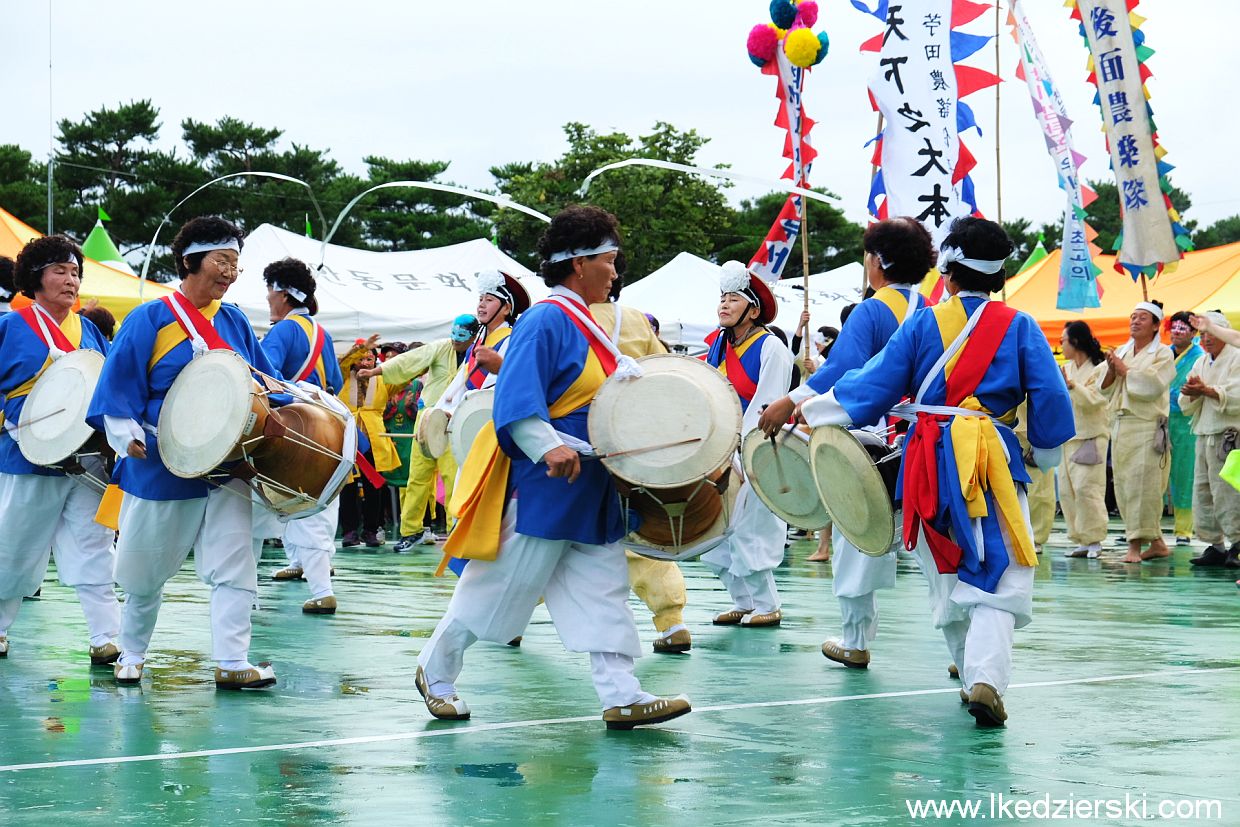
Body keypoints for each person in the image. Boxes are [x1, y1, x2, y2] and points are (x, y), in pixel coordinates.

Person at [415, 205, 690, 729]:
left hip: (591, 486)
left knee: (603, 589)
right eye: (609, 260)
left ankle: (622, 693)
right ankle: (436, 669)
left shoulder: (590, 324)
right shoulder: (546, 319)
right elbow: (517, 396)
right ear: (579, 263)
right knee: (499, 584)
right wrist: (546, 447)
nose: (615, 270)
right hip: (549, 483)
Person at [802, 217, 1073, 726]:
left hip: (925, 460)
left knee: (945, 570)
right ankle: (986, 678)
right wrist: (1047, 449)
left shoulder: (923, 323)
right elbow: (1051, 399)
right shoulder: (1019, 326)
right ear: (998, 276)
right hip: (988, 459)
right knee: (999, 569)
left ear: (947, 271)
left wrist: (812, 411)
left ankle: (974, 678)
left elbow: (873, 383)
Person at [86, 216, 282, 690]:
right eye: (222, 261)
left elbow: (263, 379)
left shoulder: (233, 320)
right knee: (144, 567)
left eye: (236, 263)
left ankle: (232, 660)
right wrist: (122, 433)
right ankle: (131, 653)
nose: (230, 273)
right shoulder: (150, 317)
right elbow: (119, 384)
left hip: (228, 464)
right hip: (162, 460)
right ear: (191, 261)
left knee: (236, 564)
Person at [759, 217, 934, 666]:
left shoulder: (873, 309)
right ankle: (965, 651)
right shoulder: (935, 307)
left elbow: (844, 370)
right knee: (938, 543)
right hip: (930, 439)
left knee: (859, 537)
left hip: (871, 437)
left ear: (877, 261)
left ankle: (855, 641)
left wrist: (791, 401)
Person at [0, 235, 119, 664]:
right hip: (26, 457)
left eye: (75, 273)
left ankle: (106, 635)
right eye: (59, 271)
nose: (70, 281)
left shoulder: (88, 329)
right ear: (35, 278)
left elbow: (107, 386)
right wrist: (12, 424)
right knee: (15, 545)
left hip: (86, 459)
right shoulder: (10, 325)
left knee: (94, 545)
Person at [591, 281, 693, 654]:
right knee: (642, 537)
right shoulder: (634, 320)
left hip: (577, 445)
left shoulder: (556, 316)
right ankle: (672, 621)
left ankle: (511, 618)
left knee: (548, 543)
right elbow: (667, 377)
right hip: (637, 445)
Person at [701, 261, 793, 627]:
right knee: (716, 532)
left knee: (751, 528)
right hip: (720, 451)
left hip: (756, 450)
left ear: (753, 310)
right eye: (722, 298)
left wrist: (738, 449)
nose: (724, 304)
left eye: (734, 299)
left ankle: (767, 603)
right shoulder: (717, 345)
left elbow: (767, 406)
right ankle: (743, 600)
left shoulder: (771, 348)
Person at [255, 257, 346, 613]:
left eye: (269, 290)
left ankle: (321, 589)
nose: (267, 298)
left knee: (288, 504)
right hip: (329, 425)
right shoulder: (320, 333)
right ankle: (302, 565)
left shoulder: (283, 331)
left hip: (296, 427)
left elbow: (264, 374)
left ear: (283, 294)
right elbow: (335, 383)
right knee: (318, 502)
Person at [363, 316, 477, 548]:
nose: (455, 342)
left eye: (461, 338)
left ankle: (456, 529)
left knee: (454, 476)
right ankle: (411, 531)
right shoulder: (439, 347)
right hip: (427, 420)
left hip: (456, 422)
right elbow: (411, 360)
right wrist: (378, 371)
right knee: (417, 477)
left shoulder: (479, 354)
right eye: (453, 336)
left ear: (473, 336)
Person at [1102, 301, 1175, 563]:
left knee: (1144, 486)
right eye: (1133, 316)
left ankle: (1134, 546)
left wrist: (1123, 369)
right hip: (1121, 426)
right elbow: (1105, 388)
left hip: (1146, 426)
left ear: (1156, 325)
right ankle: (1156, 543)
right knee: (1124, 486)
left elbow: (1152, 386)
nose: (1135, 321)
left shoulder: (1164, 353)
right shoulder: (1122, 350)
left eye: (1142, 318)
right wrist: (1112, 367)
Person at [1178, 312, 1240, 568]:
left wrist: (1207, 391)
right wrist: (1193, 392)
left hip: (1228, 435)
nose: (1206, 338)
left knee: (1228, 492)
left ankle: (1238, 543)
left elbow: (1237, 395)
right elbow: (1186, 403)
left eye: (1210, 333)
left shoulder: (1237, 357)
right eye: (1202, 334)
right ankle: (1215, 545)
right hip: (1203, 433)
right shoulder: (1201, 362)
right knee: (1203, 491)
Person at [338, 338, 398, 547]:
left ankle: (371, 530)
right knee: (348, 486)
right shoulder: (344, 375)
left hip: (374, 438)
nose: (366, 362)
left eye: (370, 358)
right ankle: (349, 532)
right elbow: (343, 362)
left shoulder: (383, 378)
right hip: (348, 436)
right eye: (361, 358)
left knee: (375, 485)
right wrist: (359, 349)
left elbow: (402, 374)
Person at [1059, 321, 1111, 558]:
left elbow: (1095, 400)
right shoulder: (1066, 368)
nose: (1061, 345)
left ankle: (1094, 540)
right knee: (1067, 490)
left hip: (1091, 436)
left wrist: (1071, 386)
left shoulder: (1099, 368)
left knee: (1087, 488)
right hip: (1068, 436)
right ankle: (1079, 538)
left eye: (1064, 341)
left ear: (1076, 342)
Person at [1167, 311, 1203, 545]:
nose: (1177, 332)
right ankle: (1145, 529)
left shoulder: (1199, 357)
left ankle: (1184, 529)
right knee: (1153, 477)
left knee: (1184, 475)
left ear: (1193, 332)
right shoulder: (1162, 354)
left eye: (1183, 328)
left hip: (1185, 423)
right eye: (1175, 327)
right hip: (1159, 421)